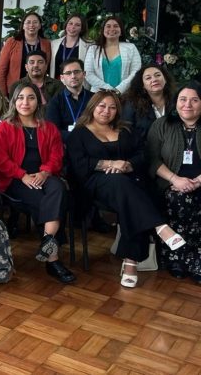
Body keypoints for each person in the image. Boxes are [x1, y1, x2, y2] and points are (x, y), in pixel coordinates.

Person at [68, 90, 185, 288]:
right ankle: (159, 227)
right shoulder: (79, 133)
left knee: (133, 195)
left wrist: (127, 164)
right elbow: (79, 165)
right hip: (95, 184)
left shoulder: (126, 130)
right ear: (93, 107)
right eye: (102, 106)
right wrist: (109, 164)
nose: (106, 111)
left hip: (129, 181)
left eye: (112, 107)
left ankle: (131, 261)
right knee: (125, 187)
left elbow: (143, 155)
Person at [0, 82, 76, 284]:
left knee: (57, 188)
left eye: (30, 97)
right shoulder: (4, 128)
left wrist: (45, 172)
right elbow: (0, 160)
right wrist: (23, 175)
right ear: (14, 102)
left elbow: (57, 156)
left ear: (38, 102)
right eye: (20, 97)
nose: (25, 102)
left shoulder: (49, 128)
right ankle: (53, 259)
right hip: (15, 180)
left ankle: (47, 241)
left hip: (44, 176)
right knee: (44, 200)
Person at [147, 81, 201, 281]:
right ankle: (178, 256)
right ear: (175, 102)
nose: (188, 104)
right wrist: (175, 179)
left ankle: (193, 258)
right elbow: (152, 159)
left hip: (199, 182)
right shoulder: (162, 125)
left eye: (194, 100)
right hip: (169, 183)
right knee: (179, 199)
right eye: (183, 99)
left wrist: (198, 181)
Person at [0, 12, 52, 96]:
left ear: (40, 25)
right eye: (28, 22)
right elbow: (1, 70)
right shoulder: (12, 42)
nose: (31, 25)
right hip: (15, 90)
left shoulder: (46, 44)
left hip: (39, 91)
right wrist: (3, 95)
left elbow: (46, 67)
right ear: (23, 26)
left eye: (35, 22)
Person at [85, 16, 142, 93]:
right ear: (103, 30)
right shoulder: (93, 49)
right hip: (98, 95)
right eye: (108, 26)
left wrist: (119, 90)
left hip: (124, 95)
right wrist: (108, 89)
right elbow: (88, 73)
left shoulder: (131, 47)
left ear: (121, 31)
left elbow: (136, 71)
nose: (112, 29)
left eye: (116, 26)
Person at [122, 63, 175, 144]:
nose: (154, 79)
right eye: (148, 78)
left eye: (157, 75)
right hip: (144, 152)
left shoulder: (177, 101)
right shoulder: (132, 104)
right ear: (143, 85)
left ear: (165, 79)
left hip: (173, 149)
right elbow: (125, 132)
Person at [46, 58, 93, 142]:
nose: (73, 76)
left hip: (91, 143)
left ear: (84, 74)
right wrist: (76, 136)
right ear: (62, 78)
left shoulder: (94, 98)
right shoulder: (55, 101)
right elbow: (52, 130)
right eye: (68, 73)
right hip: (65, 144)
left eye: (77, 72)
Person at [49, 14, 90, 79]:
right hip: (56, 84)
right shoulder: (54, 44)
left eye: (77, 25)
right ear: (66, 25)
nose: (73, 27)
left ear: (82, 29)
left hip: (75, 83)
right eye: (70, 23)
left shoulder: (88, 46)